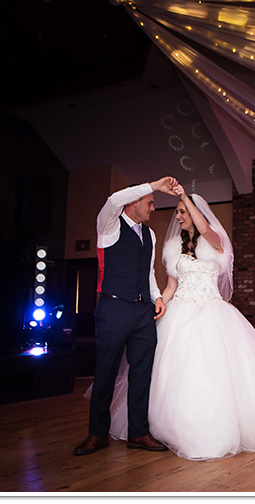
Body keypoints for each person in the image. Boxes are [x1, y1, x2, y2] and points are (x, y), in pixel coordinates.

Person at [102, 184, 255, 461]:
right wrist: (161, 303)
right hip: (180, 311)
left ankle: (209, 431)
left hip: (212, 313)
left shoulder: (216, 242)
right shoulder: (170, 246)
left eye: (182, 212)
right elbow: (170, 285)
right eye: (178, 212)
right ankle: (162, 429)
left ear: (195, 212)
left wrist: (184, 197)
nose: (178, 217)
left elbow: (204, 230)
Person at [74, 178, 178, 456]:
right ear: (134, 201)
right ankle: (97, 434)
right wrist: (154, 185)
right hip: (114, 308)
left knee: (142, 373)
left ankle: (139, 433)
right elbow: (112, 200)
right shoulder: (109, 225)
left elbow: (148, 273)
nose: (153, 207)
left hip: (144, 312)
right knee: (105, 372)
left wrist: (156, 296)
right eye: (150, 202)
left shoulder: (150, 235)